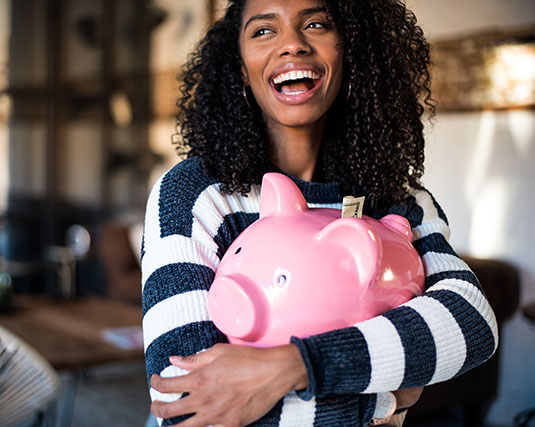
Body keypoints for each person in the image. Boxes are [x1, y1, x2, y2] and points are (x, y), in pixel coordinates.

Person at [141, 0, 498, 425]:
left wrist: (295, 365)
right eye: (263, 31)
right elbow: (187, 405)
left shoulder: (399, 200)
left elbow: (471, 323)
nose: (292, 44)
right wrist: (387, 400)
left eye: (315, 24)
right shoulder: (197, 195)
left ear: (350, 52)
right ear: (240, 68)